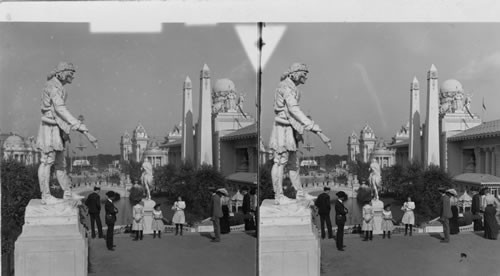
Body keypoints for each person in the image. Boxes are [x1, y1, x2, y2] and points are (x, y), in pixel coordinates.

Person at [268, 63, 331, 205]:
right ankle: (278, 196)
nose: (306, 77)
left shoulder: (294, 89)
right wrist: (318, 131)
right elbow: (294, 111)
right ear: (295, 73)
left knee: (293, 164)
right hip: (282, 128)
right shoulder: (285, 87)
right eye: (304, 73)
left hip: (290, 128)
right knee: (280, 162)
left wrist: (298, 131)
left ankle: (300, 194)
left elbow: (293, 115)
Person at [36, 62, 98, 205]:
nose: (73, 76)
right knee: (46, 161)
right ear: (62, 72)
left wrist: (65, 130)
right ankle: (45, 196)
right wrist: (84, 130)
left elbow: (59, 115)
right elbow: (60, 110)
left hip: (57, 128)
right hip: (49, 129)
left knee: (61, 164)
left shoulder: (60, 88)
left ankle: (68, 193)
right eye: (71, 72)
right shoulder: (52, 87)